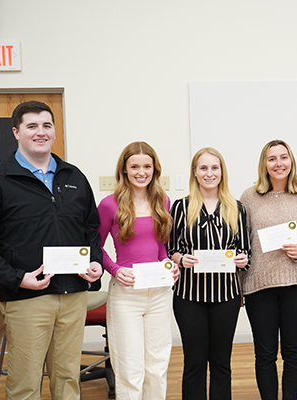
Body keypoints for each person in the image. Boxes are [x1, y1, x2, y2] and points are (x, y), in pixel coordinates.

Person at [0, 101, 103, 400]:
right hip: (27, 296)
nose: (41, 132)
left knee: (67, 379)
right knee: (25, 383)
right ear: (16, 132)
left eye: (47, 125)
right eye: (32, 126)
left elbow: (91, 228)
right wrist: (16, 278)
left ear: (54, 131)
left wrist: (96, 264)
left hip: (74, 293)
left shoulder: (73, 176)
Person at [239, 139, 297, 400]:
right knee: (264, 353)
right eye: (272, 159)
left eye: (283, 157)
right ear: (264, 165)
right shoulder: (249, 197)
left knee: (294, 352)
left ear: (291, 161)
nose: (279, 163)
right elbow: (242, 244)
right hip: (259, 286)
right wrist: (240, 286)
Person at [97, 141, 178, 400]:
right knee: (130, 371)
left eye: (147, 166)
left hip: (159, 293)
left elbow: (161, 248)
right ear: (124, 169)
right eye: (134, 166)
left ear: (155, 169)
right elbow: (94, 247)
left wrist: (170, 267)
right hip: (126, 294)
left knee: (156, 368)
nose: (141, 172)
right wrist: (114, 269)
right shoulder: (110, 204)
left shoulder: (162, 200)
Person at [167, 147, 250, 400]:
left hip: (226, 296)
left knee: (221, 362)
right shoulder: (181, 207)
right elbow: (170, 247)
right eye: (203, 168)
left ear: (222, 172)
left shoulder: (236, 208)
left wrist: (242, 259)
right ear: (194, 172)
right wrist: (180, 258)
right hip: (189, 296)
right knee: (194, 361)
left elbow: (245, 251)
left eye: (215, 168)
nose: (209, 173)